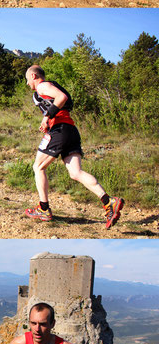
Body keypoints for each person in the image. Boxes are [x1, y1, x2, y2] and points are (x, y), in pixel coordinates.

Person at [24, 65, 124, 229]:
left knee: (38, 167)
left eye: (27, 79)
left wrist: (46, 117)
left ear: (34, 76)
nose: (27, 83)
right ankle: (109, 201)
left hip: (60, 130)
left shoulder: (42, 85)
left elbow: (61, 97)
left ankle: (43, 209)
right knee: (75, 173)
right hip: (71, 130)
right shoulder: (43, 90)